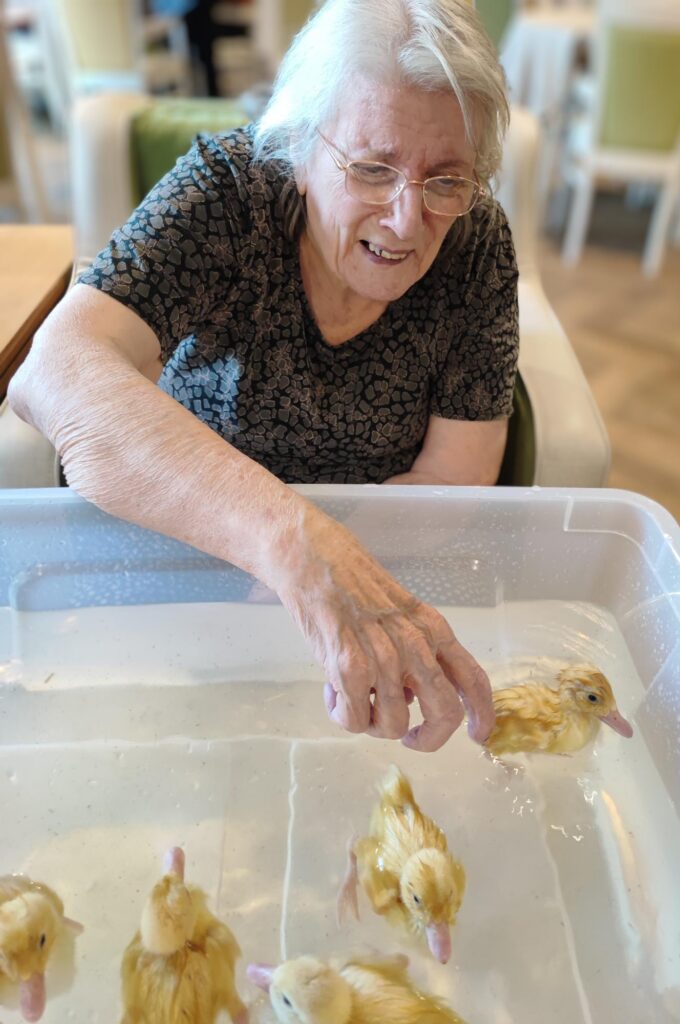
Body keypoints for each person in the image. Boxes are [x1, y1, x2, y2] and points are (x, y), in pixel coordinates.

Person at [8, 0, 519, 753]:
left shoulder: (476, 239)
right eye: (372, 169)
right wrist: (289, 544)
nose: (408, 221)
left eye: (445, 179)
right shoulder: (228, 193)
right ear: (300, 148)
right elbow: (52, 370)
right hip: (192, 565)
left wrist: (331, 575)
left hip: (377, 575)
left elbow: (457, 476)